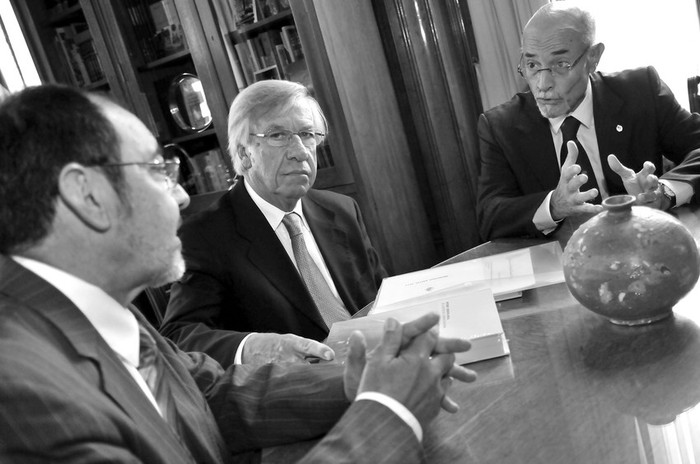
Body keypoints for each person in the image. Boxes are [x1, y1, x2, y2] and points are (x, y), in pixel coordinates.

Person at [0, 84, 476, 463]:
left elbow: (214, 393)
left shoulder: (104, 313)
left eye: (308, 135)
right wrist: (387, 411)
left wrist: (362, 382)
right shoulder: (22, 394)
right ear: (88, 195)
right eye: (158, 171)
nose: (183, 197)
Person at [160, 80, 387, 367]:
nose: (300, 151)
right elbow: (180, 337)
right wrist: (252, 347)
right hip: (300, 389)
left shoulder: (342, 210)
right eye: (278, 135)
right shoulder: (204, 237)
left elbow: (381, 296)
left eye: (307, 134)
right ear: (244, 153)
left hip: (377, 363)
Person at [476, 1, 700, 241]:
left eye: (560, 65)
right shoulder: (501, 126)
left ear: (593, 58)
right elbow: (490, 217)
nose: (542, 85)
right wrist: (554, 205)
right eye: (532, 65)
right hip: (563, 265)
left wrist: (664, 193)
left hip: (645, 248)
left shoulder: (641, 92)